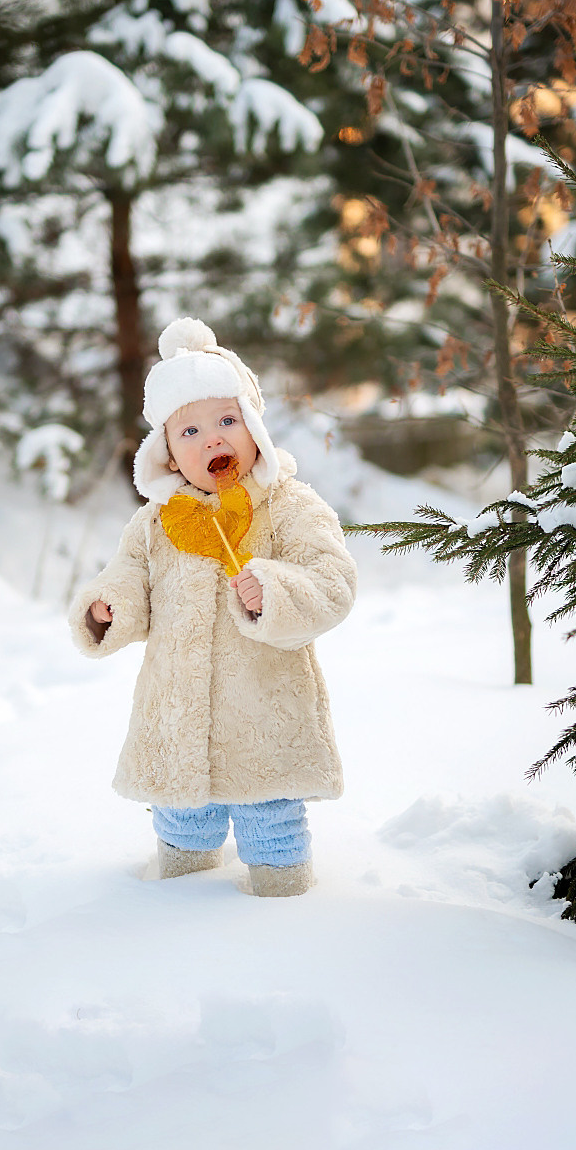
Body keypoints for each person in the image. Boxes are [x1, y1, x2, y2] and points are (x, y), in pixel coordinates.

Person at [68, 317, 357, 896]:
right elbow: (130, 576)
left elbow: (333, 582)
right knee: (181, 828)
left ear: (254, 427)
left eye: (227, 421)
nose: (212, 440)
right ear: (170, 455)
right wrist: (108, 606)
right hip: (176, 715)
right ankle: (179, 899)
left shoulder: (288, 505)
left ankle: (283, 900)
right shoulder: (158, 521)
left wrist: (274, 592)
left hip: (263, 716)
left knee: (271, 824)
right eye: (190, 430)